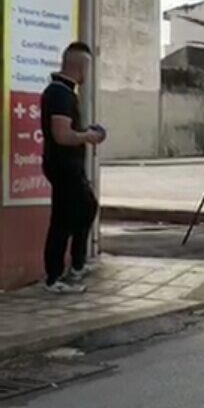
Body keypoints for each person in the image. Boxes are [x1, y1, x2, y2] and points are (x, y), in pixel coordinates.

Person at [41, 42, 106, 294]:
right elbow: (61, 135)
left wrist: (85, 133)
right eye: (88, 68)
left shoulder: (64, 92)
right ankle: (55, 277)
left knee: (86, 208)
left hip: (67, 165)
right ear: (81, 67)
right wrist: (88, 136)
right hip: (63, 166)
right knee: (63, 220)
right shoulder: (59, 94)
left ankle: (76, 266)